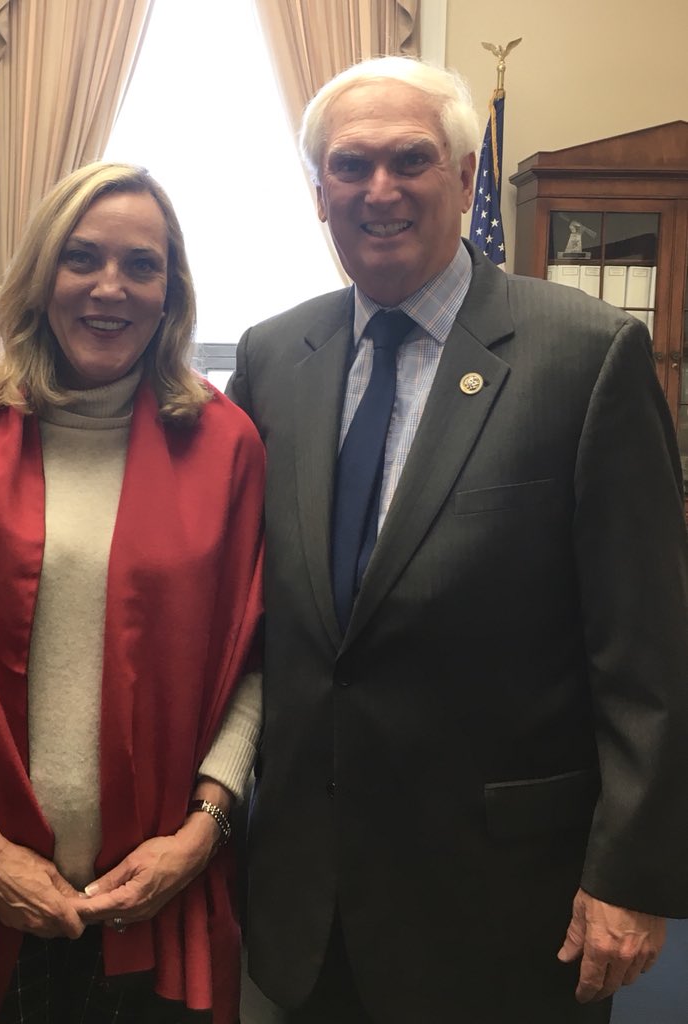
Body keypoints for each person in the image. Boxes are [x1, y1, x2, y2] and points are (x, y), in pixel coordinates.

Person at [227, 56, 688, 1024]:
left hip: (503, 901)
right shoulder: (273, 356)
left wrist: (631, 874)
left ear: (467, 176)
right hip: (309, 891)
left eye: (411, 160)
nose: (379, 190)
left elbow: (648, 649)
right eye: (351, 165)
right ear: (319, 192)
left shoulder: (586, 355)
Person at [0, 162, 265, 1024]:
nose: (111, 288)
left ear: (171, 292)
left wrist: (202, 832)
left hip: (156, 888)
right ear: (42, 273)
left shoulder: (225, 446)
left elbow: (255, 660)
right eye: (82, 257)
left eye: (142, 265)